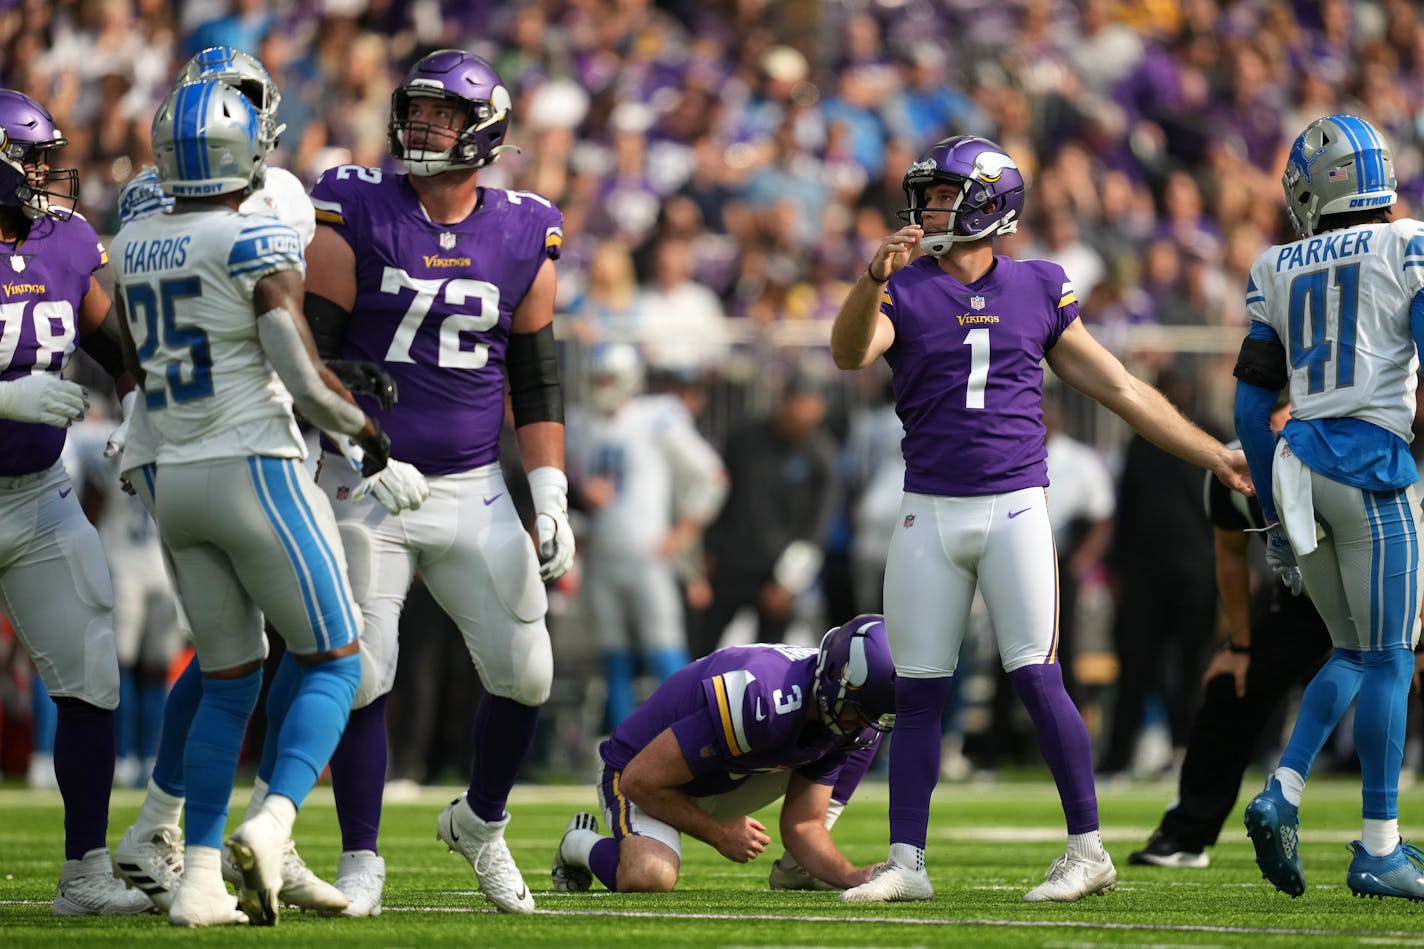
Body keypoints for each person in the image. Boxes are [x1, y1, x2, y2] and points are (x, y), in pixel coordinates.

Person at [829, 134, 1252, 904]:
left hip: (1017, 506)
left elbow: (1121, 388)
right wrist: (868, 281)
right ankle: (907, 860)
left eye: (944, 193)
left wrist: (1212, 454)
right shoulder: (903, 286)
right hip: (927, 508)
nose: (929, 206)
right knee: (919, 689)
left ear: (991, 203)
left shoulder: (1038, 286)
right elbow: (851, 354)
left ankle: (1088, 849)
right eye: (925, 193)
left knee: (1037, 674)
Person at [109, 78, 399, 927]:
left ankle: (198, 878)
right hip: (254, 466)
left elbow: (133, 363)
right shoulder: (253, 233)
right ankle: (273, 823)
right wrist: (364, 434)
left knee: (228, 678)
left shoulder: (131, 239)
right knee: (338, 657)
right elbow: (301, 377)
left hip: (173, 475)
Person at [302, 48, 575, 916]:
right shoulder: (356, 205)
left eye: (443, 117)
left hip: (471, 486)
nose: (423, 128)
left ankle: (481, 823)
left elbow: (534, 378)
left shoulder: (526, 226)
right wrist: (361, 455)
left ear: (484, 131)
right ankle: (360, 858)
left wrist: (551, 491)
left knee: (528, 670)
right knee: (367, 671)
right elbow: (312, 353)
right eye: (416, 111)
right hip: (364, 479)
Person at [1234, 114, 1424, 901]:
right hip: (1374, 465)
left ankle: (1282, 788)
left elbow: (1250, 406)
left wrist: (1274, 516)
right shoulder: (1407, 242)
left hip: (1299, 468)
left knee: (1349, 651)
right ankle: (1379, 845)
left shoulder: (1276, 263)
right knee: (1392, 658)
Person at [0, 88, 152, 918]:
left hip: (34, 497)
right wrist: (4, 398)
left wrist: (136, 406)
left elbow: (112, 342)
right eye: (28, 157)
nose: (42, 173)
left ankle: (85, 872)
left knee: (94, 668)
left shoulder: (64, 239)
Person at [549, 614, 895, 893]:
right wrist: (719, 833)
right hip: (638, 771)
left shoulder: (850, 719)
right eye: (858, 710)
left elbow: (804, 823)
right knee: (649, 876)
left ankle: (798, 869)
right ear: (837, 678)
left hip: (725, 772)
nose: (860, 722)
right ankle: (578, 843)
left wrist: (851, 876)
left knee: (863, 744)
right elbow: (641, 780)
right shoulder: (762, 699)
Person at [1130, 400, 1331, 869]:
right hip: (1305, 600)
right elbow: (1230, 556)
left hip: (1384, 590)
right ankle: (1186, 834)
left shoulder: (1332, 457)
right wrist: (1240, 646)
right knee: (1230, 685)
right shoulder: (1232, 472)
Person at [567, 341, 727, 730]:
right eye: (597, 378)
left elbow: (712, 476)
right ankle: (622, 748)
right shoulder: (581, 424)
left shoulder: (658, 416)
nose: (602, 385)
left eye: (609, 378)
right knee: (613, 658)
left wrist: (682, 534)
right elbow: (579, 494)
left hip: (648, 555)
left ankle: (691, 735)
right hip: (602, 556)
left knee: (665, 652)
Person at [697, 368, 838, 657]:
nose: (801, 410)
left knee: (770, 662)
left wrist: (788, 584)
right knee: (701, 651)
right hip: (729, 566)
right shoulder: (743, 439)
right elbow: (716, 497)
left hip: (778, 574)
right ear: (782, 399)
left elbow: (816, 530)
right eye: (796, 400)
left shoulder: (822, 456)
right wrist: (707, 550)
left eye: (810, 402)